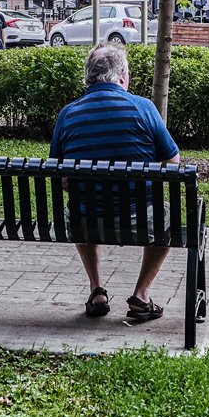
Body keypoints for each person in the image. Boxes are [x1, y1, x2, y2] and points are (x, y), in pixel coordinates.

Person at [49, 43, 180, 323]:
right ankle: (141, 296)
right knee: (168, 218)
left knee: (81, 206)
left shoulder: (68, 114)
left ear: (89, 77)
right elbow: (173, 163)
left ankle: (97, 290)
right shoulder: (143, 108)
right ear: (122, 77)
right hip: (140, 220)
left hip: (83, 221)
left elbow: (60, 177)